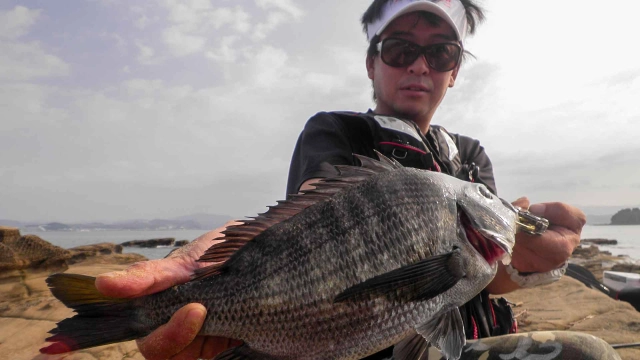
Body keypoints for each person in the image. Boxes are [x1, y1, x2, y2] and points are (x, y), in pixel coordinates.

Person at [95, 1, 619, 359]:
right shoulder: (336, 130)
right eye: (399, 50)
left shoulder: (470, 157)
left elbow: (480, 275)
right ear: (372, 63)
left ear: (455, 71)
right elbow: (310, 223)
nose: (419, 65)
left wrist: (531, 263)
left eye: (440, 54)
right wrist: (218, 263)